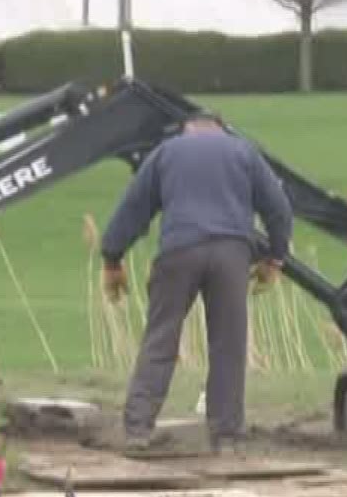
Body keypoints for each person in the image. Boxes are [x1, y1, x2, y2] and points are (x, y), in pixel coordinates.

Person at [99, 112, 293, 453]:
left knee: (161, 336)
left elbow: (133, 208)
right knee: (228, 345)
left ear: (188, 129)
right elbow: (278, 208)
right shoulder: (244, 151)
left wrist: (112, 257)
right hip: (232, 254)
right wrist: (275, 257)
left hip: (179, 250)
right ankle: (227, 436)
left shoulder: (167, 152)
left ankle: (138, 429)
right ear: (220, 128)